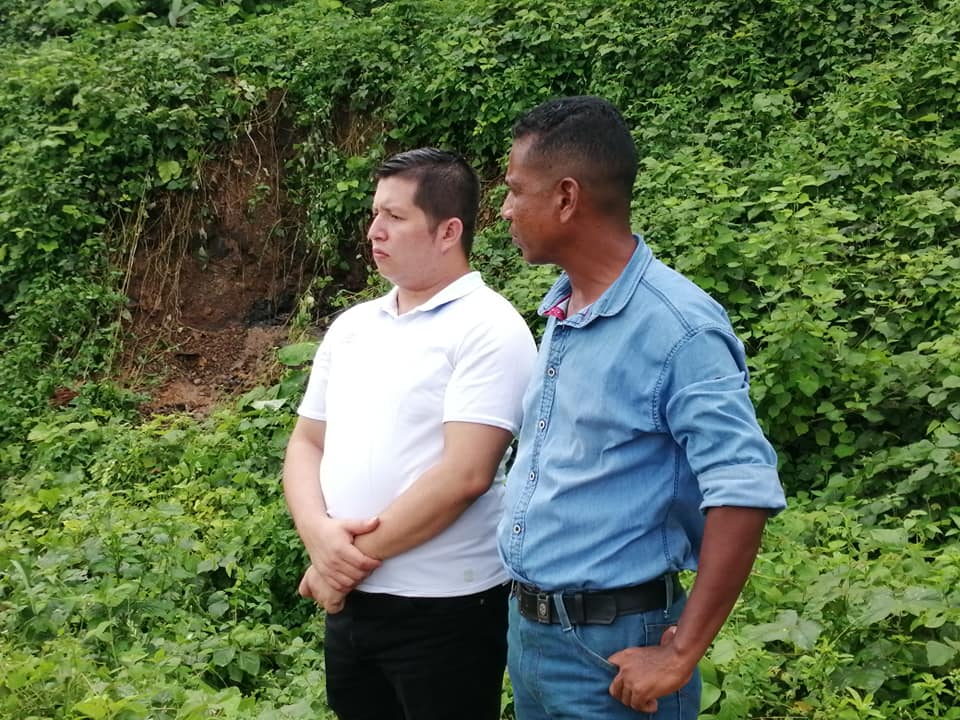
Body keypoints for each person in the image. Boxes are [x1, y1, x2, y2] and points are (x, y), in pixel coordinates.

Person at [497, 96, 787, 719]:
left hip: (616, 652)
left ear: (566, 198)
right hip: (534, 637)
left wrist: (681, 653)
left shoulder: (678, 328)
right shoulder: (566, 309)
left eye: (516, 191)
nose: (505, 210)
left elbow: (742, 488)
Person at [283, 148, 537, 720]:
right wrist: (319, 537)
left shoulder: (488, 327)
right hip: (352, 604)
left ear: (449, 231)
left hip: (445, 606)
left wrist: (338, 563)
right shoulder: (353, 326)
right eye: (376, 213)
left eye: (395, 217)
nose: (375, 230)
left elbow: (465, 475)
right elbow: (306, 443)